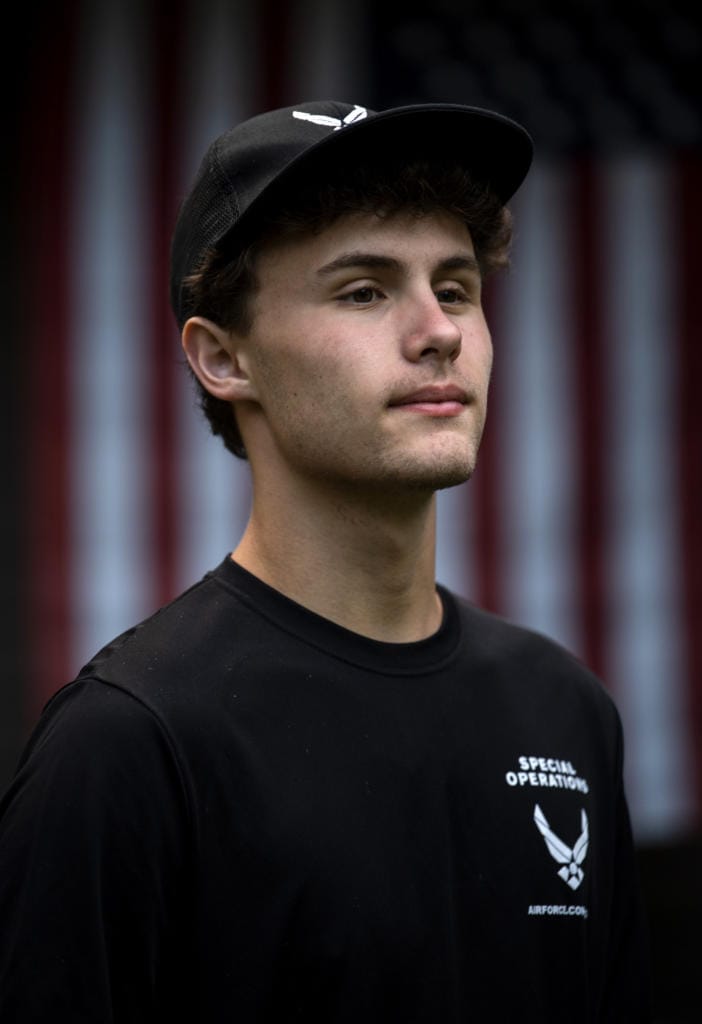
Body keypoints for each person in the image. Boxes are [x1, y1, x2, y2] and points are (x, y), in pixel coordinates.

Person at [0, 100, 650, 1021]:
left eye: (457, 287)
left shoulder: (567, 711)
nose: (441, 332)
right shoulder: (128, 748)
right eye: (365, 291)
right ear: (225, 359)